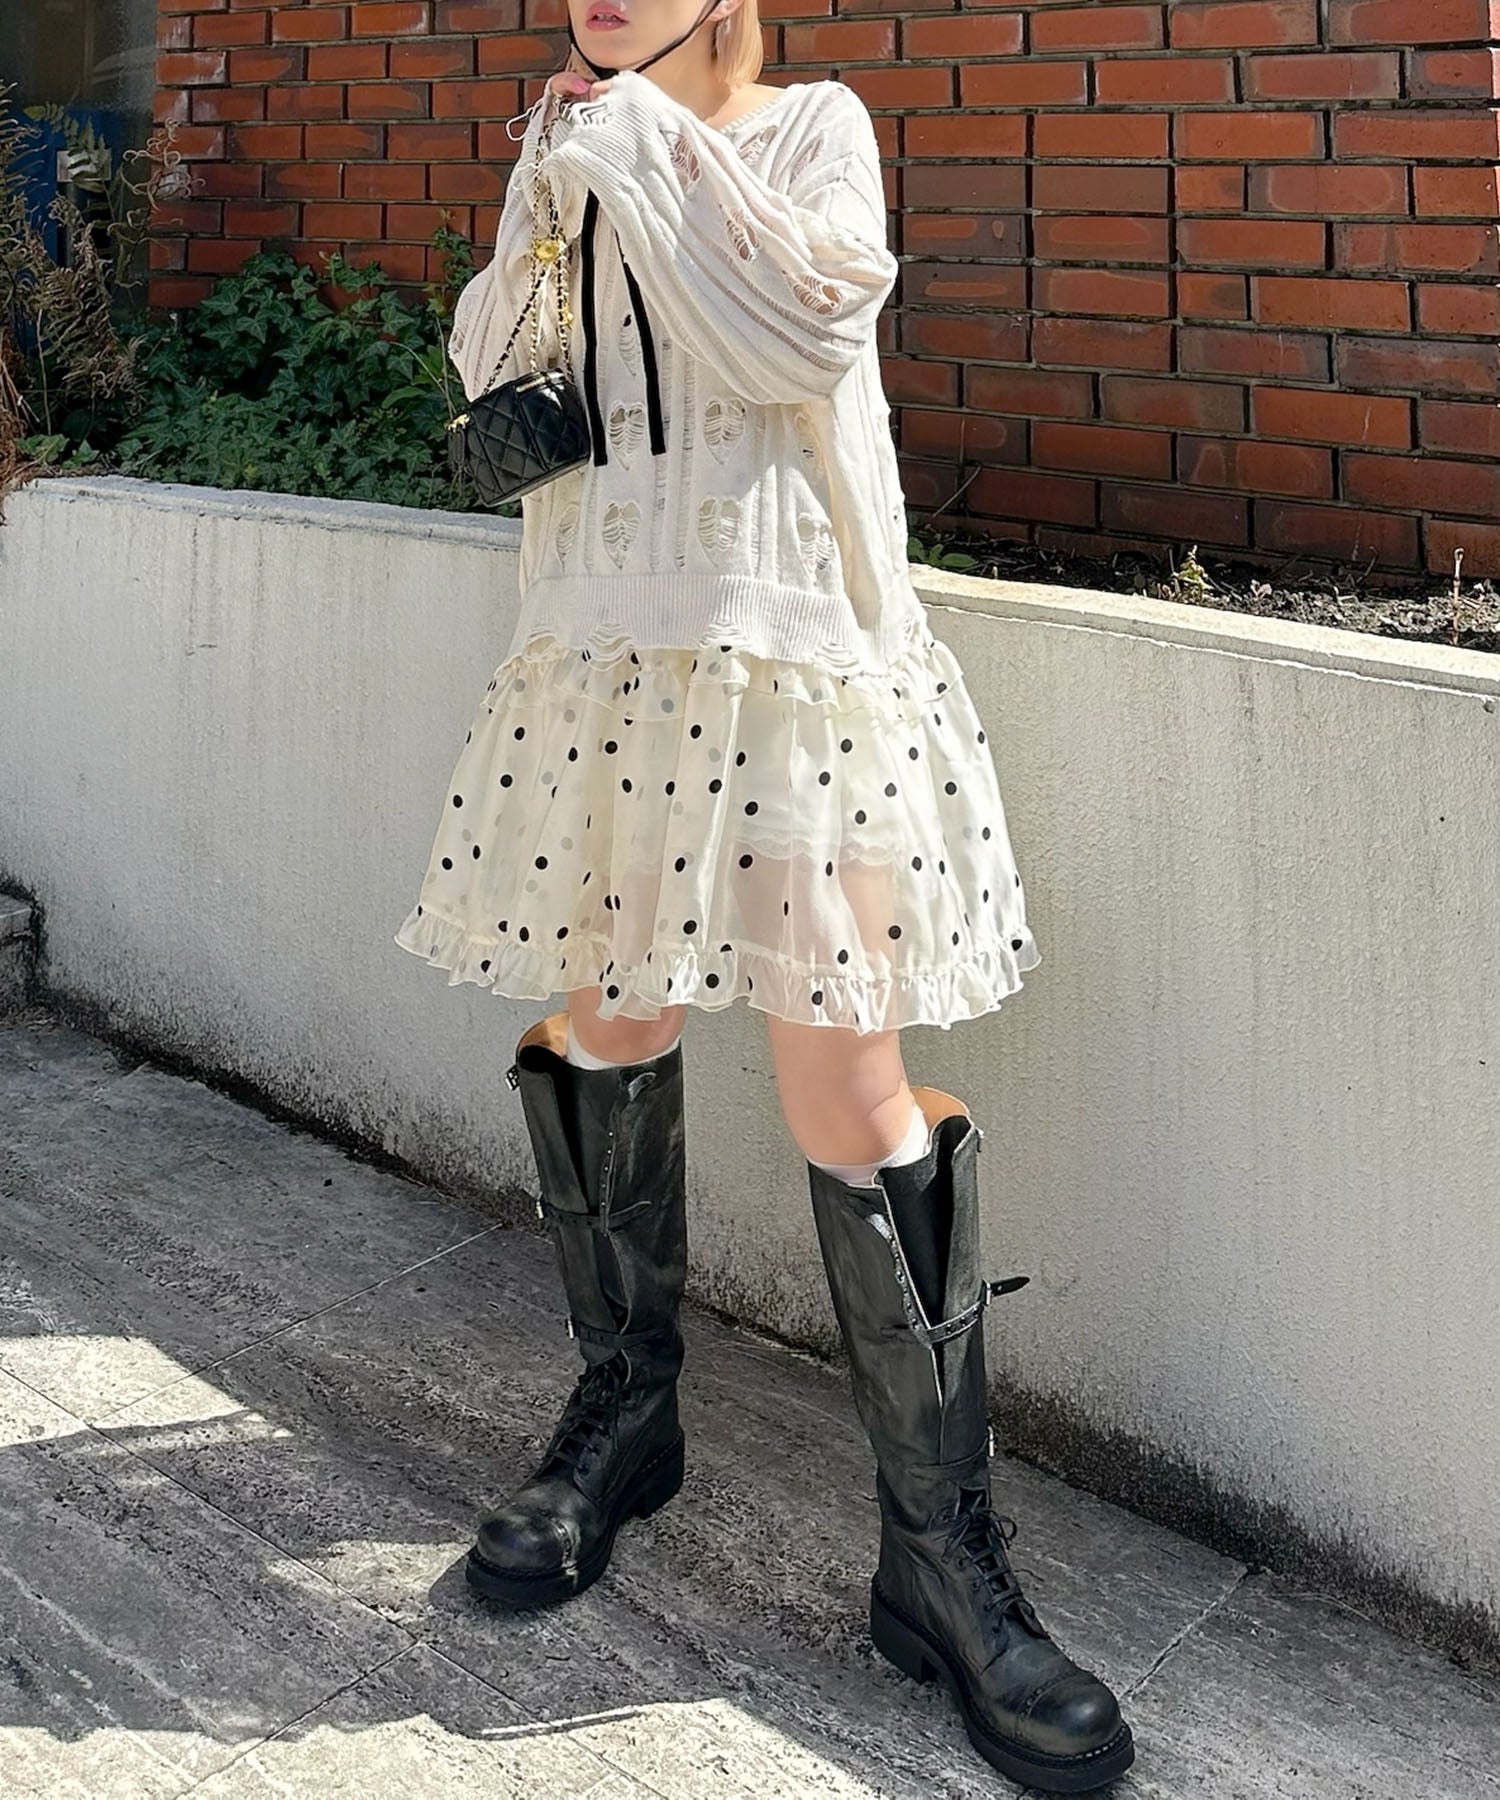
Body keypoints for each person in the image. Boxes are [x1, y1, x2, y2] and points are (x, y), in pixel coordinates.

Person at [393, 0, 1135, 1787]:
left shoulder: (817, 130)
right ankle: (622, 1416)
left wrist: (636, 141)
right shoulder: (570, 138)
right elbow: (494, 376)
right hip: (605, 652)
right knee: (608, 1017)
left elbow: (797, 336)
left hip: (797, 658)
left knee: (849, 1077)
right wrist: (552, 186)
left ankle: (942, 1562)